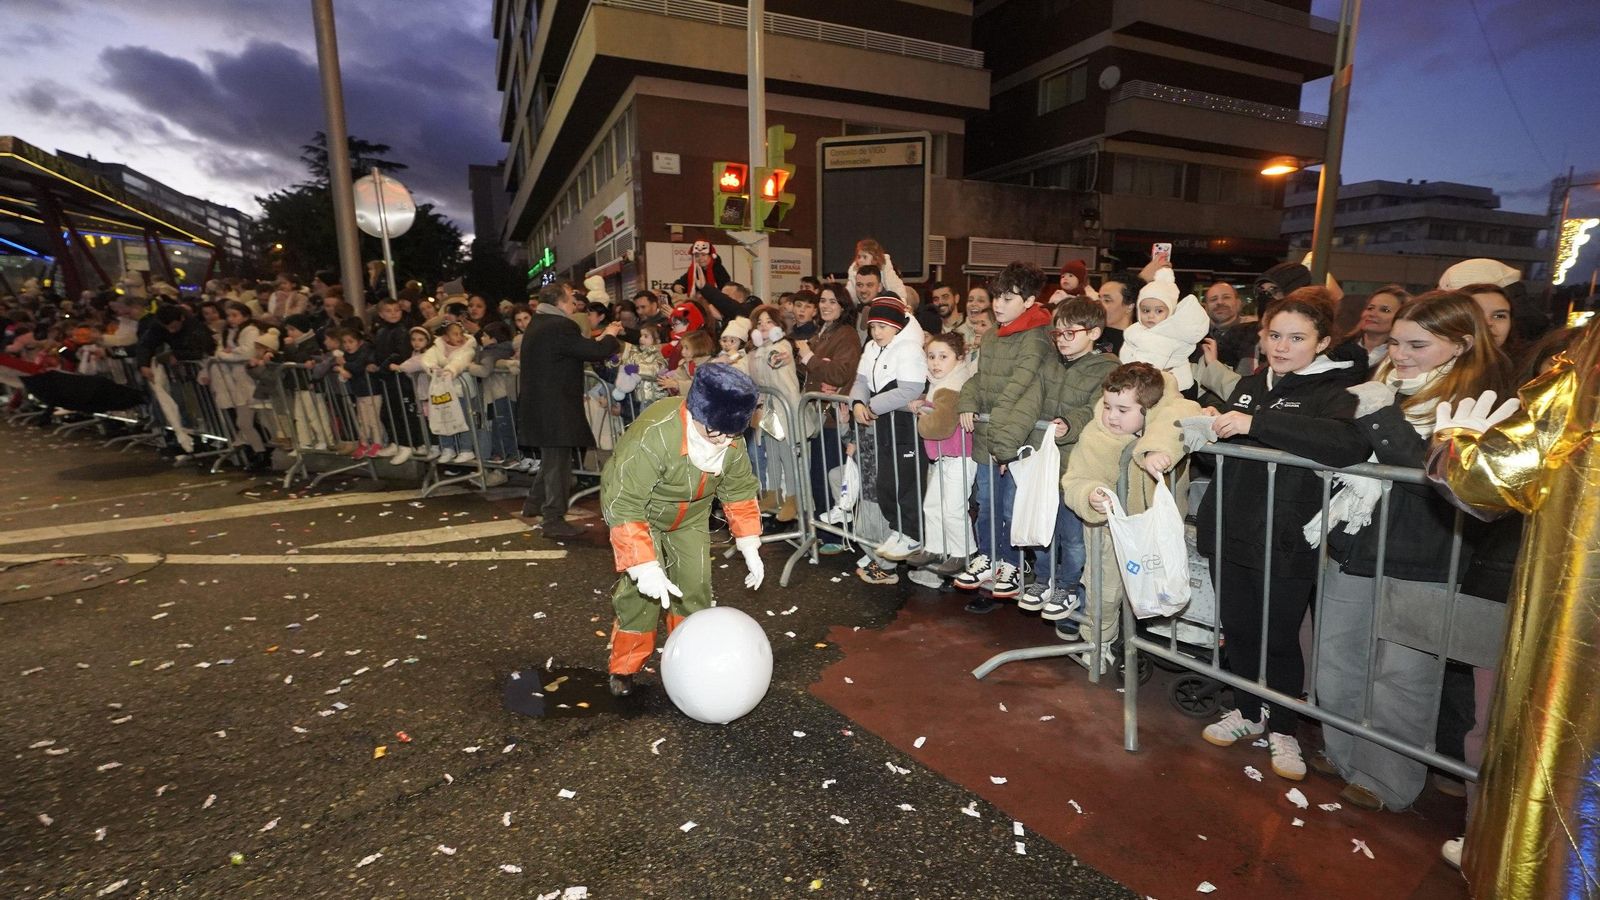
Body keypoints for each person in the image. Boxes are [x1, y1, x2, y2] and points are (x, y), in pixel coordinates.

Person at [1307, 291, 1512, 811]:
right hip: (1355, 545)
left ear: (1462, 344)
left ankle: (1385, 780)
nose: (1401, 353)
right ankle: (1344, 750)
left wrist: (1381, 417)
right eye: (1396, 342)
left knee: (1403, 678)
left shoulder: (1477, 403)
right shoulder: (1384, 386)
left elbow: (1435, 474)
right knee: (1336, 662)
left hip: (1426, 556)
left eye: (1418, 344)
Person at [1425, 318, 1600, 895]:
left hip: (1581, 649)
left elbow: (1489, 473)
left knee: (1567, 790)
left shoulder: (1585, 376)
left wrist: (1452, 444)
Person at [1194, 289, 1369, 781]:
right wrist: (1207, 430)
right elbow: (1221, 454)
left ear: (1323, 341)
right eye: (1274, 335)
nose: (1282, 346)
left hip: (1287, 533)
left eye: (1297, 337)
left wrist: (1257, 423)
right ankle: (1247, 712)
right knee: (1241, 628)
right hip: (1230, 524)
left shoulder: (1335, 390)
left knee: (1281, 637)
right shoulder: (1250, 383)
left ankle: (1285, 727)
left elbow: (1345, 443)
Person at [601, 363, 766, 698]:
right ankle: (625, 666)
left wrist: (750, 544)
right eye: (716, 432)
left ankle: (689, 665)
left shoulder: (728, 437)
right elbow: (623, 500)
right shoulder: (655, 434)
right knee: (640, 596)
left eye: (731, 434)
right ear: (697, 413)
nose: (724, 441)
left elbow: (738, 489)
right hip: (644, 515)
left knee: (694, 589)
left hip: (691, 517)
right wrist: (644, 566)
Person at [1062, 362, 1199, 642]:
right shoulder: (1095, 434)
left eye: (1123, 410)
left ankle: (1136, 646)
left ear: (1149, 409)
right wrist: (1089, 494)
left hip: (1153, 533)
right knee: (1104, 591)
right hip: (1107, 534)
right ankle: (1096, 645)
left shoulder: (1170, 413)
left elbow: (1185, 412)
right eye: (1107, 406)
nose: (1111, 416)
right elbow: (1074, 478)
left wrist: (1157, 449)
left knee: (1155, 588)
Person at [955, 262, 1054, 610]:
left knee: (1012, 508)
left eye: (1008, 298)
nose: (998, 304)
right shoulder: (995, 336)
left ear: (1028, 301)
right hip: (989, 437)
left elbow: (1020, 388)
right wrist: (967, 402)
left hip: (1016, 438)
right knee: (985, 505)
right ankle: (988, 556)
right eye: (997, 296)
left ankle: (1011, 564)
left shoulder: (1038, 337)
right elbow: (979, 379)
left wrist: (1002, 440)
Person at [1028, 297, 1121, 630]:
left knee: (1072, 536)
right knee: (1039, 526)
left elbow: (1096, 408)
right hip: (1043, 461)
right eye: (1059, 333)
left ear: (1094, 332)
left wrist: (1069, 422)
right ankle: (1043, 578)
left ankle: (1068, 588)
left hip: (1075, 464)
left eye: (1071, 332)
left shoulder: (1108, 368)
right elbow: (1032, 401)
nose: (1062, 339)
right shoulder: (1051, 363)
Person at [517, 281, 623, 536]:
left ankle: (533, 504)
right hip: (555, 404)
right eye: (571, 297)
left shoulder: (539, 322)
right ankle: (553, 519)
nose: (575, 302)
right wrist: (610, 334)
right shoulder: (560, 325)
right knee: (558, 463)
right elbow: (593, 351)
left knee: (552, 458)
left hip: (542, 403)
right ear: (560, 301)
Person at [851, 297, 929, 561]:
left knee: (906, 480)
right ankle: (898, 529)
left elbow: (911, 388)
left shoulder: (909, 349)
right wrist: (857, 402)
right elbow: (861, 379)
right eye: (873, 327)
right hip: (885, 421)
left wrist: (872, 406)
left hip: (905, 425)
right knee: (887, 481)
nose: (877, 332)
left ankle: (913, 534)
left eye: (883, 326)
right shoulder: (872, 347)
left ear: (897, 326)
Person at [908, 332, 976, 582]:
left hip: (960, 456)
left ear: (958, 359)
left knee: (954, 507)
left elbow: (938, 425)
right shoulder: (938, 384)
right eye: (931, 356)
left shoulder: (953, 386)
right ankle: (936, 547)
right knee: (933, 504)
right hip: (943, 456)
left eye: (943, 357)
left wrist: (922, 412)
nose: (935, 363)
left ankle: (963, 551)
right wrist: (923, 406)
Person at [797, 284, 861, 547]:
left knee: (832, 477)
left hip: (835, 418)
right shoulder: (823, 332)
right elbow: (819, 373)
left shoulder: (846, 334)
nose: (825, 306)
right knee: (818, 477)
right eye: (822, 301)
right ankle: (823, 531)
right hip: (820, 415)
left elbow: (839, 373)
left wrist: (811, 358)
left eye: (832, 302)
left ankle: (835, 536)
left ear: (843, 307)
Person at [748, 304, 803, 523]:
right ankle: (772, 493)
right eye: (759, 323)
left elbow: (777, 358)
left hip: (786, 408)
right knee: (771, 452)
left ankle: (793, 497)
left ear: (778, 326)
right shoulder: (757, 351)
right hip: (768, 407)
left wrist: (774, 358)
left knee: (786, 455)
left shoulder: (782, 346)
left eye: (768, 322)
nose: (763, 327)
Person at [1119, 268, 1208, 399]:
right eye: (1145, 310)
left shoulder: (1166, 336)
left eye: (1159, 311)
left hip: (1172, 390)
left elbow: (1149, 367)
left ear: (1170, 311)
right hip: (1144, 386)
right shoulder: (1137, 330)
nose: (1151, 316)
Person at [398, 322, 479, 464]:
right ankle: (448, 448)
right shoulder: (437, 347)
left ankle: (466, 449)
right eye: (455, 334)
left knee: (464, 420)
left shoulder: (468, 348)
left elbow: (461, 361)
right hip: (442, 391)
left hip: (461, 391)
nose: (459, 337)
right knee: (443, 418)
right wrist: (433, 368)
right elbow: (426, 359)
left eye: (460, 333)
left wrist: (450, 370)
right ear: (446, 336)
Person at [205, 301, 271, 467]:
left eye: (235, 315)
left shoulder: (251, 330)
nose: (231, 319)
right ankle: (260, 451)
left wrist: (228, 354)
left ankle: (262, 451)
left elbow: (247, 352)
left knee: (255, 420)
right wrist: (228, 353)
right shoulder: (229, 332)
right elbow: (220, 351)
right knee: (244, 422)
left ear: (246, 315)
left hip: (249, 379)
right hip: (237, 382)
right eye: (229, 316)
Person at [333, 322, 390, 460]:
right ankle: (364, 443)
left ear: (359, 342)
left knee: (373, 419)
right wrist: (341, 368)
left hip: (372, 391)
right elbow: (345, 370)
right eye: (345, 342)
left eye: (350, 341)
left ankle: (378, 442)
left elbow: (358, 367)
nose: (347, 345)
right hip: (359, 392)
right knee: (362, 419)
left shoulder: (365, 352)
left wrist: (343, 365)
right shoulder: (346, 355)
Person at [1334, 285, 1409, 371]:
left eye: (1385, 310)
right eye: (1370, 308)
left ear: (1401, 318)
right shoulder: (1336, 349)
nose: (1372, 314)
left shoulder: (1402, 359)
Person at [1199, 281, 1259, 369]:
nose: (1219, 302)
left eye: (1226, 297)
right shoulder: (1197, 336)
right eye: (1213, 299)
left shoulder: (1256, 332)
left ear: (1238, 303)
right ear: (1206, 308)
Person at [845, 238, 908, 306]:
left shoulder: (884, 268)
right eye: (859, 257)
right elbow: (850, 294)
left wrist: (902, 304)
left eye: (864, 257)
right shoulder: (854, 271)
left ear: (875, 258)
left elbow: (895, 286)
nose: (860, 260)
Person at [1095, 277, 1139, 355]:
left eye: (1107, 300)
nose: (1099, 305)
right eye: (1099, 299)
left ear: (1129, 306)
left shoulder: (1137, 343)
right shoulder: (1091, 334)